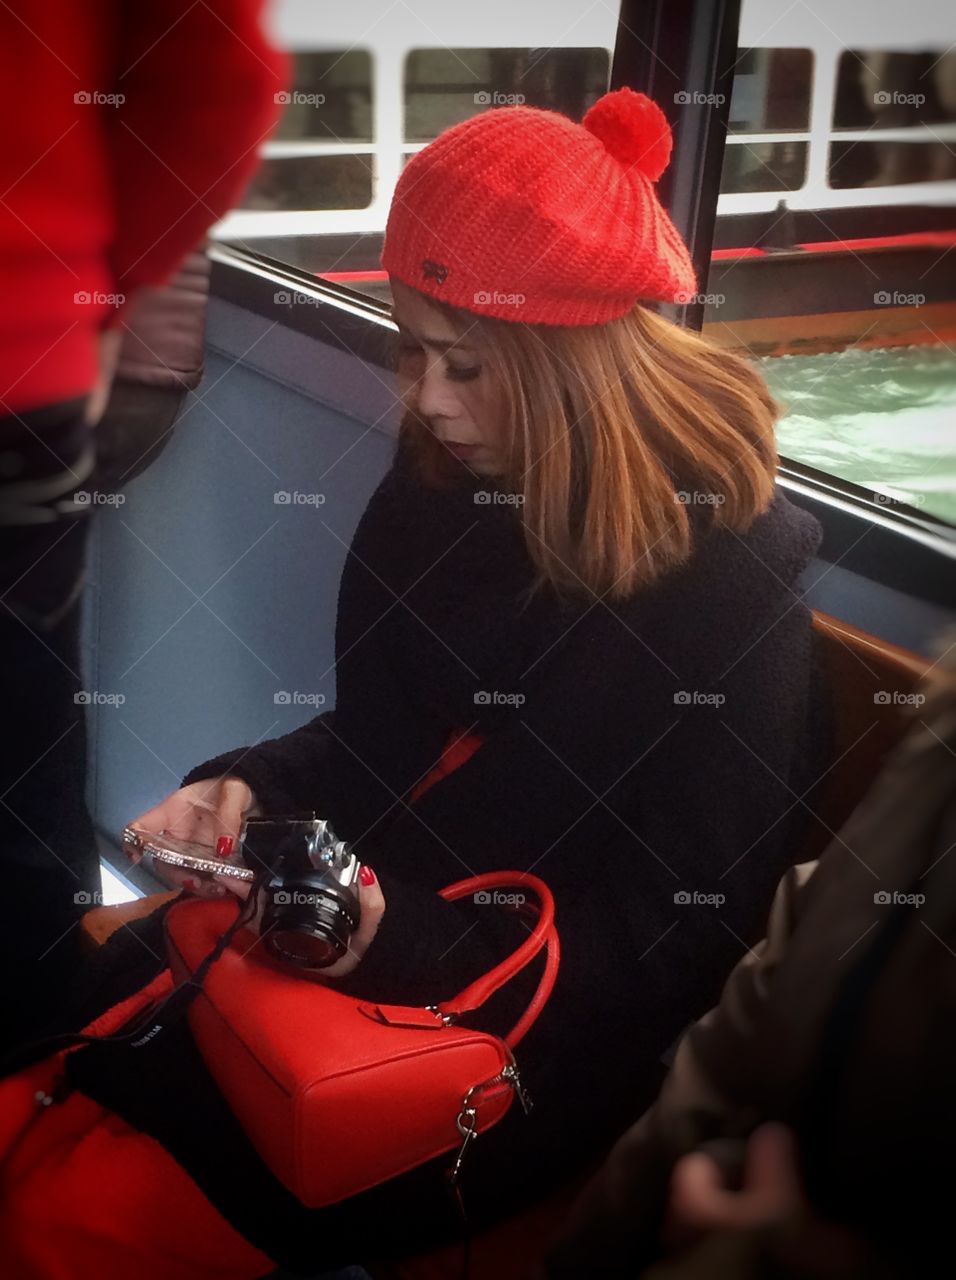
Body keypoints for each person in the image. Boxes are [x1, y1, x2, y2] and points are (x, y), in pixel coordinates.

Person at [1, 88, 830, 1277]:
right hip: (362, 964)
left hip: (515, 1052)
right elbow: (388, 741)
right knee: (60, 1077)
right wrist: (241, 785)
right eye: (410, 349)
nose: (429, 401)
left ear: (575, 365)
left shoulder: (734, 582)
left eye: (468, 364)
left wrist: (403, 947)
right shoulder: (436, 482)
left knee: (72, 1209)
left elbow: (676, 939)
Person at [0, 0, 287, 1040]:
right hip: (21, 358)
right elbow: (216, 82)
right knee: (19, 765)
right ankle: (25, 1088)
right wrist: (101, 295)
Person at [542, 645, 956, 1280]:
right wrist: (590, 1253)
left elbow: (648, 943)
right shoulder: (939, 743)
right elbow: (736, 1040)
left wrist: (807, 1254)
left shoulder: (744, 638)